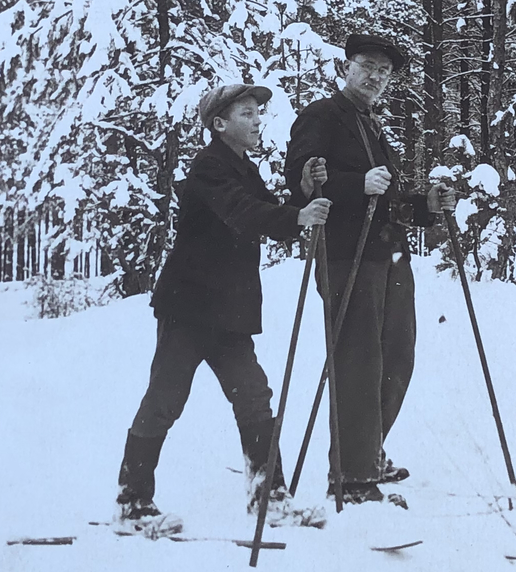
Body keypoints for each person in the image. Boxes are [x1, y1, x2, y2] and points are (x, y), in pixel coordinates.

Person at [114, 83, 331, 537]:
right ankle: (133, 502)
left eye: (258, 113)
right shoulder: (209, 166)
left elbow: (268, 213)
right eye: (247, 113)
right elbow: (242, 212)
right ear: (219, 124)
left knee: (253, 395)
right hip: (190, 308)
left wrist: (302, 197)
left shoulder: (241, 168)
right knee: (166, 399)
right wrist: (295, 216)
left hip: (227, 312)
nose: (257, 121)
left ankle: (268, 496)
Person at [285, 34, 454, 507]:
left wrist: (426, 205)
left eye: (384, 71)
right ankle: (353, 478)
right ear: (345, 68)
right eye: (367, 66)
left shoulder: (373, 126)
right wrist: (355, 183)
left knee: (398, 356)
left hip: (387, 255)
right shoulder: (320, 117)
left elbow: (388, 202)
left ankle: (368, 450)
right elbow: (300, 182)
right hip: (345, 255)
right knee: (359, 361)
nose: (376, 76)